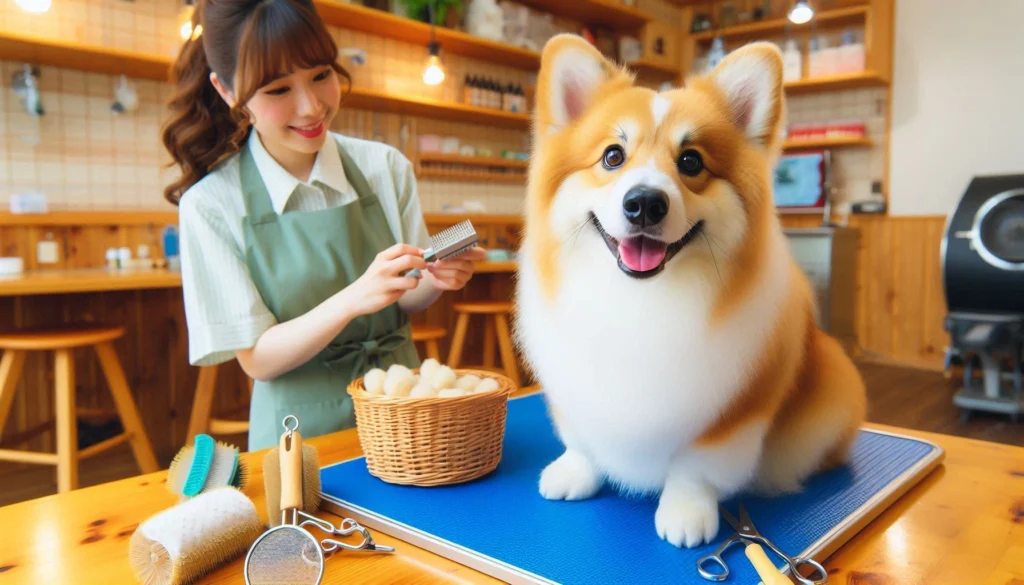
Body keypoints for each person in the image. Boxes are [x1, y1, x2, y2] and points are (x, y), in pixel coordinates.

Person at [161, 0, 486, 451]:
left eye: (320, 75)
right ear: (225, 89)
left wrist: (436, 278)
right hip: (298, 439)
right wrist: (354, 298)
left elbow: (408, 296)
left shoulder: (384, 167)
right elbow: (257, 359)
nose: (311, 106)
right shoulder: (211, 204)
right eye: (278, 90)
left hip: (405, 414)